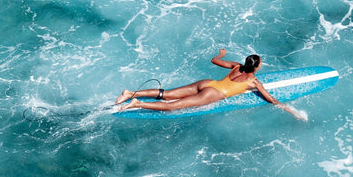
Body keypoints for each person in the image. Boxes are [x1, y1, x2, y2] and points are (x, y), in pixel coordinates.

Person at [115, 49, 306, 120]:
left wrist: (221, 54)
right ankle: (136, 103)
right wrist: (291, 111)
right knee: (172, 107)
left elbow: (214, 61)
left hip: (207, 84)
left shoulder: (236, 66)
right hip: (212, 95)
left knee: (166, 93)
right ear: (257, 67)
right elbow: (270, 98)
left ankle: (130, 93)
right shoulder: (254, 82)